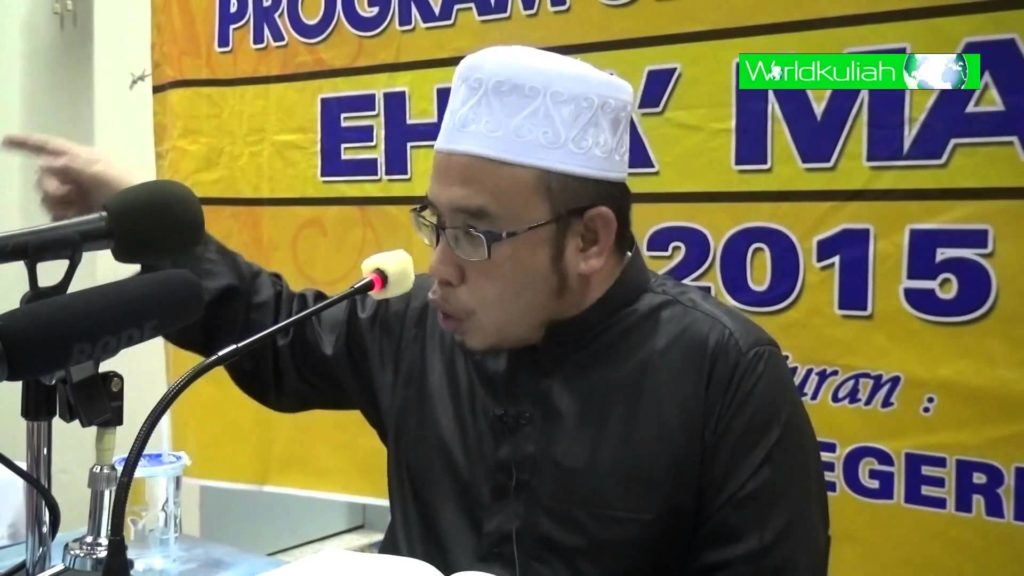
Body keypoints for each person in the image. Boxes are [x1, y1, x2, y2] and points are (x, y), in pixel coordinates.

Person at [4, 45, 830, 575]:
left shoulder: (722, 375)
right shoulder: (420, 322)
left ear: (589, 239)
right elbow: (270, 334)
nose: (441, 267)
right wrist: (147, 224)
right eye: (436, 223)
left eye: (475, 234)